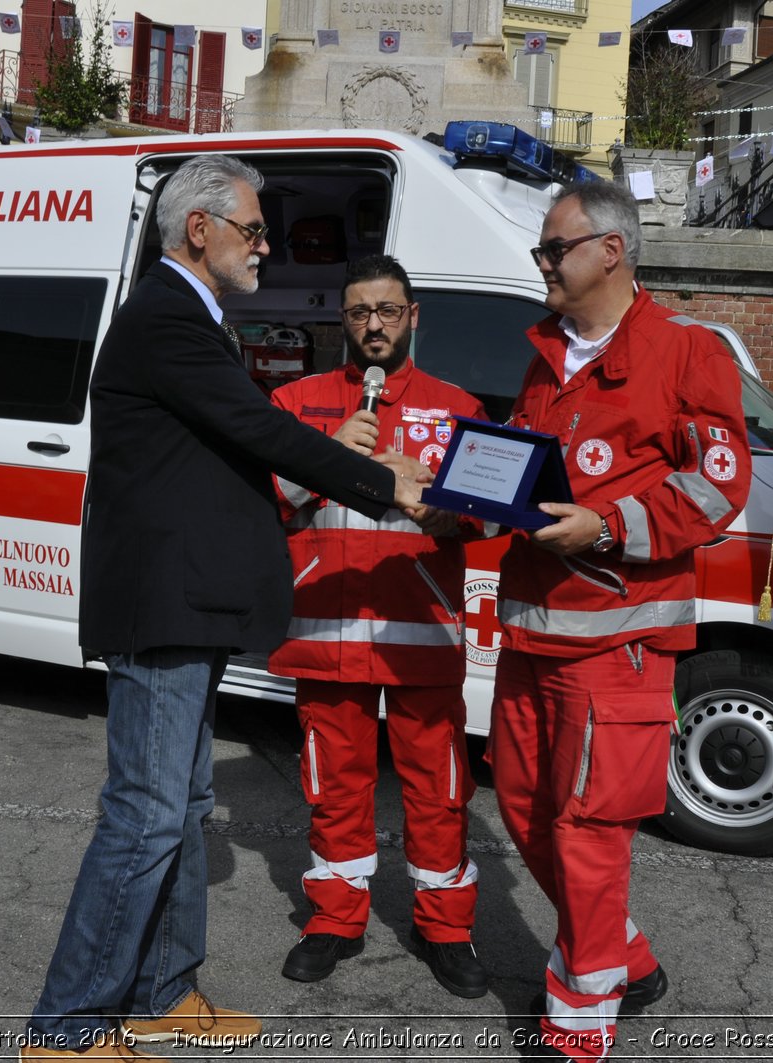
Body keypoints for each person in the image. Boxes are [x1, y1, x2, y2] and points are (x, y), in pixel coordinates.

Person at [24, 155, 426, 1062]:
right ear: (198, 230)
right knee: (146, 813)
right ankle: (67, 1027)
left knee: (184, 804)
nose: (266, 245)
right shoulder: (166, 314)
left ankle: (164, 995)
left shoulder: (190, 317)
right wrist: (376, 479)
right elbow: (258, 427)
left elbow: (237, 443)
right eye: (253, 229)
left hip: (190, 603)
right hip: (164, 605)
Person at [492, 181, 751, 1061]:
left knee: (589, 833)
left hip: (619, 642)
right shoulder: (545, 356)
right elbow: (531, 474)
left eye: (553, 248)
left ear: (611, 249)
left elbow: (717, 486)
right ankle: (623, 960)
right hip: (531, 630)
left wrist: (606, 526)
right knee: (527, 818)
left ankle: (579, 1026)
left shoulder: (685, 352)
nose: (542, 264)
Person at [267, 254, 489, 996]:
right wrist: (330, 460)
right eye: (360, 312)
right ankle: (335, 918)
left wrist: (433, 504)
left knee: (438, 786)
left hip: (419, 632)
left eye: (387, 311)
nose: (373, 326)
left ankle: (446, 927)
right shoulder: (296, 402)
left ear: (412, 316)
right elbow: (265, 499)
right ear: (344, 320)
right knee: (335, 783)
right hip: (325, 633)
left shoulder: (457, 405)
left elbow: (484, 519)